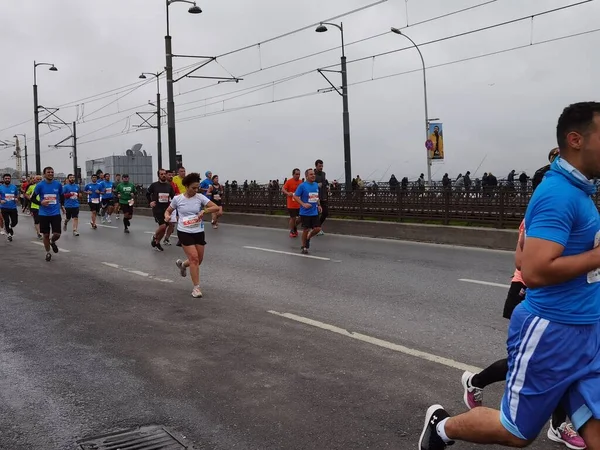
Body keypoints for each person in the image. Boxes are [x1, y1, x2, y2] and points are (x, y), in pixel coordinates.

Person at [419, 101, 600, 449]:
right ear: (576, 139)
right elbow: (533, 271)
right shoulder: (558, 194)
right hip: (553, 331)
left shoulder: (578, 191)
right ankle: (441, 428)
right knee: (515, 432)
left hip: (586, 330)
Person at [460, 156, 584, 449]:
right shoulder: (539, 216)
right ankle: (476, 382)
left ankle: (557, 424)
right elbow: (523, 261)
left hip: (559, 299)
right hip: (528, 293)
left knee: (560, 363)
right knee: (531, 363)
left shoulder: (573, 208)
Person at [164, 172, 220, 298]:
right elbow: (168, 211)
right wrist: (167, 216)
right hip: (184, 231)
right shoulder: (178, 199)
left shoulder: (200, 197)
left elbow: (215, 207)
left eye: (197, 187)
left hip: (198, 231)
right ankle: (196, 288)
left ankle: (183, 265)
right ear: (186, 186)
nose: (196, 190)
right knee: (194, 258)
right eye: (193, 188)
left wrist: (204, 211)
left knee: (199, 260)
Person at [32, 167, 63, 262]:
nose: (50, 173)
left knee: (57, 234)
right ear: (44, 174)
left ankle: (52, 241)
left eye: (52, 172)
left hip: (55, 213)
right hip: (44, 214)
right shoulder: (40, 185)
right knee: (45, 235)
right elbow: (32, 198)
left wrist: (62, 205)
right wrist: (41, 203)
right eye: (48, 172)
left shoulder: (58, 185)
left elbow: (61, 196)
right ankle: (48, 252)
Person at [293, 168, 322, 254]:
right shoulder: (302, 186)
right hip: (305, 212)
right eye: (311, 174)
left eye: (314, 174)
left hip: (314, 211)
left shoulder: (316, 185)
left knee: (318, 229)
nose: (313, 176)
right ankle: (304, 247)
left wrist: (319, 205)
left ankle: (309, 237)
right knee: (306, 229)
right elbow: (295, 196)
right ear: (306, 176)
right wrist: (303, 204)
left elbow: (316, 197)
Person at [146, 168, 175, 251]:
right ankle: (154, 236)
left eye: (164, 174)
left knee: (164, 228)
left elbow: (173, 197)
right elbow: (147, 194)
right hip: (157, 209)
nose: (163, 175)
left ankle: (157, 242)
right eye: (161, 174)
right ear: (158, 175)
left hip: (166, 210)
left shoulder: (169, 186)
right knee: (162, 226)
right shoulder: (154, 185)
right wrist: (150, 202)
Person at [282, 168, 302, 238]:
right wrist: (288, 193)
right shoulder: (289, 181)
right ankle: (292, 230)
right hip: (291, 203)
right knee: (293, 218)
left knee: (302, 217)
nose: (298, 175)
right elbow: (283, 189)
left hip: (299, 203)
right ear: (293, 174)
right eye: (296, 174)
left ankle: (294, 227)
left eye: (299, 174)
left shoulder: (301, 182)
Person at [0, 174, 19, 241]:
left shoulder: (14, 187)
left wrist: (16, 199)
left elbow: (17, 195)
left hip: (13, 207)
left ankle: (10, 227)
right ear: (3, 179)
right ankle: (9, 235)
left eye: (8, 178)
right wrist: (0, 200)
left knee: (15, 222)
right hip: (4, 207)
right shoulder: (1, 187)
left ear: (10, 179)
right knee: (6, 221)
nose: (7, 179)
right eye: (6, 178)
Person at [314, 159, 329, 236]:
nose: (321, 167)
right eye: (320, 166)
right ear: (316, 166)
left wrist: (327, 186)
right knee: (316, 213)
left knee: (325, 213)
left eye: (322, 166)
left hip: (323, 195)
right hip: (315, 196)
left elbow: (324, 182)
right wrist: (316, 185)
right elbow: (309, 183)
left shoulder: (323, 174)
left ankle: (317, 227)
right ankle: (317, 229)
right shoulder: (312, 174)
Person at [25, 175, 43, 240]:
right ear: (34, 180)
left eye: (40, 179)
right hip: (34, 206)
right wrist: (29, 198)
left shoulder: (44, 186)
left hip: (43, 206)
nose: (39, 181)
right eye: (37, 179)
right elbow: (26, 194)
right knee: (37, 220)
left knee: (43, 220)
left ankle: (43, 231)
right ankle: (39, 233)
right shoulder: (31, 187)